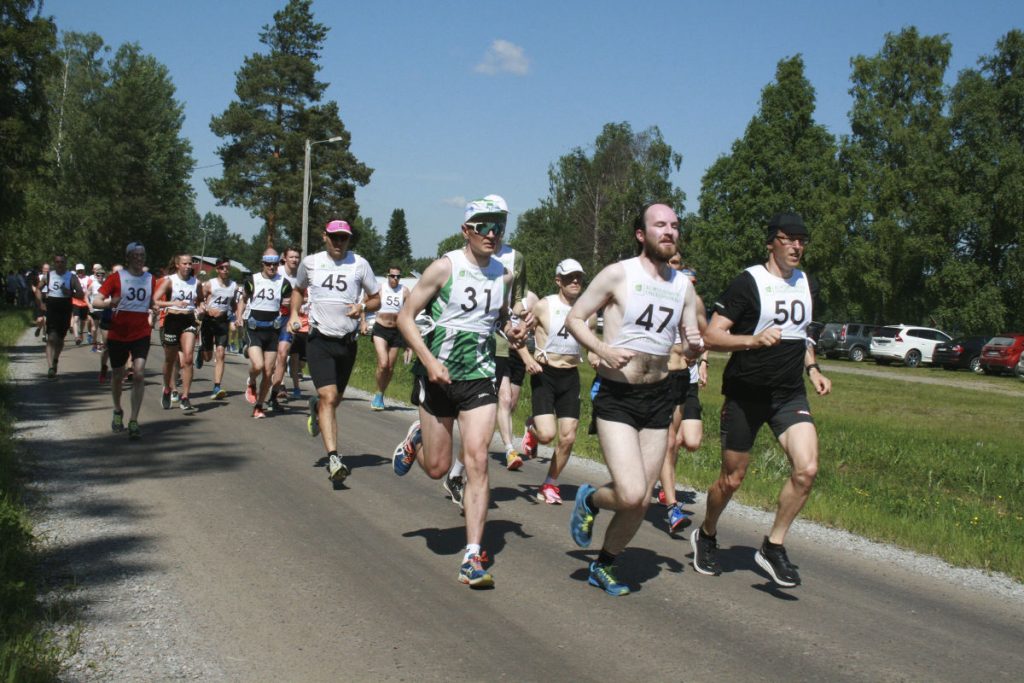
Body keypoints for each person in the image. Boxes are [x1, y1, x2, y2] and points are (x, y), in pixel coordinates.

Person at [564, 203, 703, 596]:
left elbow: (690, 338)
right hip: (618, 396)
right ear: (642, 234)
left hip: (660, 396)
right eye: (660, 225)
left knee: (641, 500)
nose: (669, 231)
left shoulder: (682, 287)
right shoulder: (617, 274)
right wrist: (602, 350)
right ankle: (590, 499)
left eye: (674, 225)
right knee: (628, 492)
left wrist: (694, 347)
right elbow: (575, 318)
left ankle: (604, 564)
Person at [392, 194, 526, 589]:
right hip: (438, 376)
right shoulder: (444, 267)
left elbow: (499, 320)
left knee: (477, 460)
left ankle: (472, 556)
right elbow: (405, 317)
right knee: (436, 467)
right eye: (483, 226)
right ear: (466, 230)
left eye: (498, 226)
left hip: (480, 378)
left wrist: (513, 331)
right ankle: (417, 437)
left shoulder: (504, 273)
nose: (492, 234)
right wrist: (429, 362)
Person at [691, 211, 830, 588]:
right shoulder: (747, 283)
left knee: (807, 469)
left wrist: (813, 368)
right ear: (771, 242)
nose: (797, 246)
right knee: (731, 480)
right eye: (789, 238)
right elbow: (711, 336)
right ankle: (706, 533)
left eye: (803, 240)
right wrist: (752, 339)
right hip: (745, 395)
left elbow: (805, 334)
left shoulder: (807, 284)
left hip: (787, 394)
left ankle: (773, 545)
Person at [288, 220, 380, 481]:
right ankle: (334, 458)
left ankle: (316, 406)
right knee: (330, 397)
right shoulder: (311, 262)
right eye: (334, 237)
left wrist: (362, 308)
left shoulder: (359, 264)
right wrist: (294, 312)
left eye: (344, 238)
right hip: (319, 340)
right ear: (325, 237)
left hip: (347, 342)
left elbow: (377, 298)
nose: (339, 243)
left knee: (334, 400)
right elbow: (298, 289)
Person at [518, 259, 594, 505]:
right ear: (558, 281)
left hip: (570, 377)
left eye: (579, 277)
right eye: (570, 277)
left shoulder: (588, 312)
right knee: (547, 435)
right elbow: (517, 336)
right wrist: (527, 358)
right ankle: (533, 428)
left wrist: (597, 357)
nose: (575, 281)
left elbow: (590, 345)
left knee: (569, 437)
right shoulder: (543, 306)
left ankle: (550, 483)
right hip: (545, 374)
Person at [656, 258, 709, 534]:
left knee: (679, 440)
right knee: (667, 441)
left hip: (681, 378)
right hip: (657, 376)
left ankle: (660, 481)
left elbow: (706, 335)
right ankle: (672, 505)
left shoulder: (694, 301)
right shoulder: (658, 293)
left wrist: (699, 358)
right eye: (671, 263)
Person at [93, 242, 155, 440]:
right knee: (118, 375)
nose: (139, 258)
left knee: (138, 374)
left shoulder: (150, 279)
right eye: (136, 255)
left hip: (141, 333)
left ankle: (134, 420)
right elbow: (96, 301)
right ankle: (118, 409)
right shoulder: (116, 277)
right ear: (128, 257)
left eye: (142, 255)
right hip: (118, 332)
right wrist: (110, 302)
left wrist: (158, 307)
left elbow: (154, 301)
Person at [240, 249, 292, 418]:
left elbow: (288, 304)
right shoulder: (252, 280)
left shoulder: (284, 283)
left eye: (275, 264)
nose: (272, 267)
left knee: (269, 372)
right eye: (269, 264)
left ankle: (259, 406)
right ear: (262, 263)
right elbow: (243, 299)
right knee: (258, 365)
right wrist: (240, 316)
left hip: (272, 330)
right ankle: (252, 382)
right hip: (254, 328)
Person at [154, 253, 201, 413]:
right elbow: (155, 300)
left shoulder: (196, 283)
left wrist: (201, 308)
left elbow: (200, 301)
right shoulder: (170, 281)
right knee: (170, 359)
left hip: (188, 321)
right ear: (178, 265)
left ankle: (185, 396)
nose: (188, 266)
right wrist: (172, 303)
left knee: (188, 358)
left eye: (190, 263)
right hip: (172, 320)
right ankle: (167, 389)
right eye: (185, 263)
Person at [364, 265, 409, 410]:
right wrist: (363, 321)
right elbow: (364, 303)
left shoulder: (405, 291)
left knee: (390, 367)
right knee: (383, 363)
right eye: (392, 276)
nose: (395, 279)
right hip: (380, 329)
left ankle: (381, 394)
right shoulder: (380, 289)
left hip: (396, 331)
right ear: (387, 276)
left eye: (398, 276)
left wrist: (409, 340)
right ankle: (377, 394)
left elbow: (410, 313)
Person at [39, 254, 85, 379]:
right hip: (52, 307)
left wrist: (70, 292)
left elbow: (81, 294)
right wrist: (41, 303)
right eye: (57, 262)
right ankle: (50, 368)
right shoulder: (49, 275)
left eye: (62, 262)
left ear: (65, 263)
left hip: (65, 308)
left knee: (59, 339)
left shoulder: (71, 277)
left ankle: (55, 359)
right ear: (54, 263)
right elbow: (38, 289)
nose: (59, 264)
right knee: (51, 338)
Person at [199, 256, 240, 399]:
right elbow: (199, 300)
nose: (225, 270)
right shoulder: (210, 284)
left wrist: (236, 317)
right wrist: (205, 309)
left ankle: (217, 386)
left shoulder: (233, 286)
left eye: (227, 267)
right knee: (208, 357)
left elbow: (234, 303)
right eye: (222, 267)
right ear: (217, 269)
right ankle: (202, 350)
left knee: (221, 353)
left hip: (222, 322)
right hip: (209, 321)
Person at [270, 246, 303, 401]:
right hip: (272, 317)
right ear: (284, 258)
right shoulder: (277, 273)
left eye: (297, 257)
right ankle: (260, 379)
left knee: (283, 353)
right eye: (291, 257)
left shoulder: (301, 276)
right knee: (271, 356)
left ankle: (280, 385)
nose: (294, 260)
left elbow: (305, 295)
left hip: (289, 318)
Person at [87, 268, 111, 382]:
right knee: (94, 328)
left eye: (102, 274)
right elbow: (86, 295)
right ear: (95, 275)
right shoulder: (93, 284)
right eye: (98, 274)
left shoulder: (109, 283)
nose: (100, 276)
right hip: (96, 309)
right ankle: (95, 343)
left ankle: (126, 370)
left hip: (108, 311)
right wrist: (89, 305)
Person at [71, 263, 92, 345]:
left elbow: (91, 289)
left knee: (83, 320)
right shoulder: (73, 279)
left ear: (84, 270)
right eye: (78, 271)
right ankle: (76, 337)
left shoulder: (88, 279)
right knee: (76, 319)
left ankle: (81, 332)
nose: (80, 272)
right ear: (76, 271)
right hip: (75, 301)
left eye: (81, 270)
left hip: (84, 302)